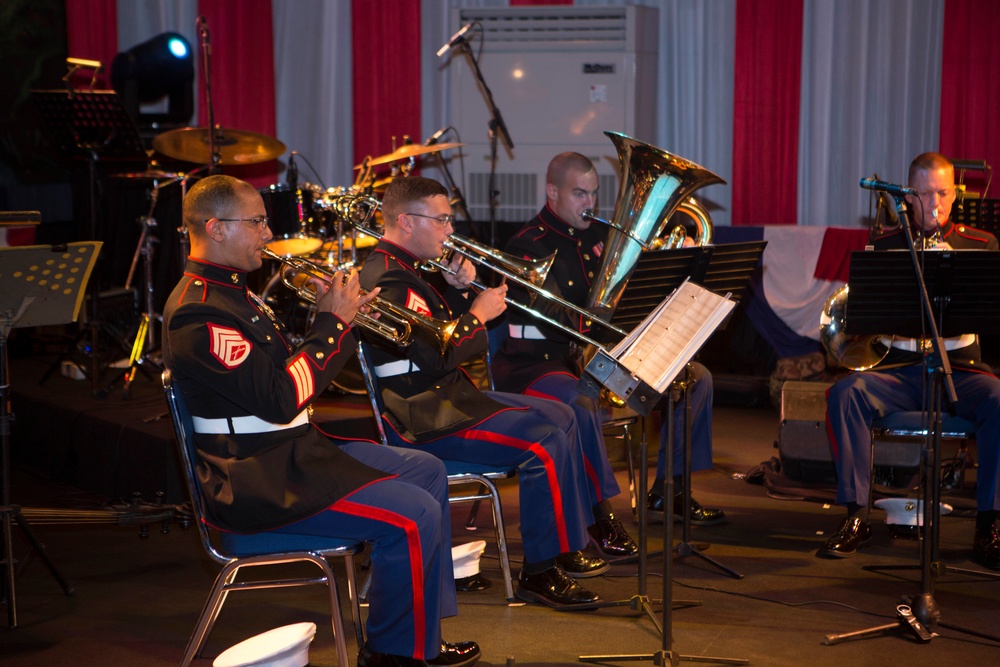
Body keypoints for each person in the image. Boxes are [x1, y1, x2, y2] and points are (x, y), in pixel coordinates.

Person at [162, 175, 481, 667]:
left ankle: (417, 629)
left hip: (292, 455)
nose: (268, 234)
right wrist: (333, 325)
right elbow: (283, 398)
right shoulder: (198, 313)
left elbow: (293, 377)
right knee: (413, 512)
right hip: (257, 481)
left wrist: (338, 321)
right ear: (216, 228)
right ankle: (396, 654)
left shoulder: (234, 296)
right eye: (257, 222)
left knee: (426, 470)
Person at [358, 175, 615, 609]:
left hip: (447, 400)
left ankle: (567, 544)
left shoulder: (406, 270)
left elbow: (434, 338)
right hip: (423, 418)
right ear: (405, 222)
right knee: (545, 439)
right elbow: (437, 356)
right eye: (441, 221)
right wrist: (476, 316)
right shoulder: (390, 279)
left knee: (563, 414)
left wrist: (459, 294)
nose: (449, 231)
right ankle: (540, 570)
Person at [493, 152, 724, 529]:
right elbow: (557, 320)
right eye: (579, 194)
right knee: (580, 399)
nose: (590, 204)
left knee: (696, 378)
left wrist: (667, 269)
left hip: (603, 357)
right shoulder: (527, 246)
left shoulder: (603, 237)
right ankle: (599, 517)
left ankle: (671, 490)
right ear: (552, 191)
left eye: (594, 194)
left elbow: (634, 300)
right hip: (541, 363)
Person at [819, 152, 1000, 569]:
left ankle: (989, 525)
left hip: (961, 371)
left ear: (955, 195)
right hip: (898, 370)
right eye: (921, 194)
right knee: (845, 394)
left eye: (941, 193)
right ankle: (856, 516)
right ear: (907, 196)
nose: (932, 204)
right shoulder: (883, 244)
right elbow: (863, 317)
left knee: (998, 400)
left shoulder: (980, 243)